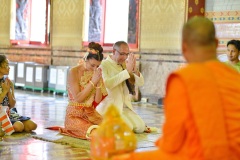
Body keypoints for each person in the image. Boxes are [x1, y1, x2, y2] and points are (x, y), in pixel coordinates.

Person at [112, 17, 240, 160]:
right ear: (216, 44)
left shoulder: (184, 77)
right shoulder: (235, 77)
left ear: (184, 47)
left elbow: (172, 143)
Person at [97, 41, 148, 133]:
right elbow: (108, 84)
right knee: (128, 128)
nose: (124, 57)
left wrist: (134, 70)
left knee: (140, 127)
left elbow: (140, 83)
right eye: (122, 54)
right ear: (113, 51)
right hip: (110, 107)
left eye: (126, 54)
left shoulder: (125, 65)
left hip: (124, 107)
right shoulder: (104, 64)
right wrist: (127, 72)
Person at [59, 42, 107, 140]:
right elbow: (78, 98)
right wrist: (93, 82)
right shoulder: (74, 72)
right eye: (92, 65)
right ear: (85, 59)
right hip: (74, 115)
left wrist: (98, 83)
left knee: (111, 130)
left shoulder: (96, 73)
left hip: (90, 113)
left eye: (97, 66)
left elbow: (97, 100)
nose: (95, 69)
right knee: (97, 134)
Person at [0, 55, 37, 133]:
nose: (9, 67)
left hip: (8, 112)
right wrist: (4, 92)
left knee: (33, 125)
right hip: (1, 114)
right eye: (6, 65)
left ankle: (8, 127)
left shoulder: (8, 82)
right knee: (19, 126)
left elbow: (12, 105)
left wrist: (9, 91)